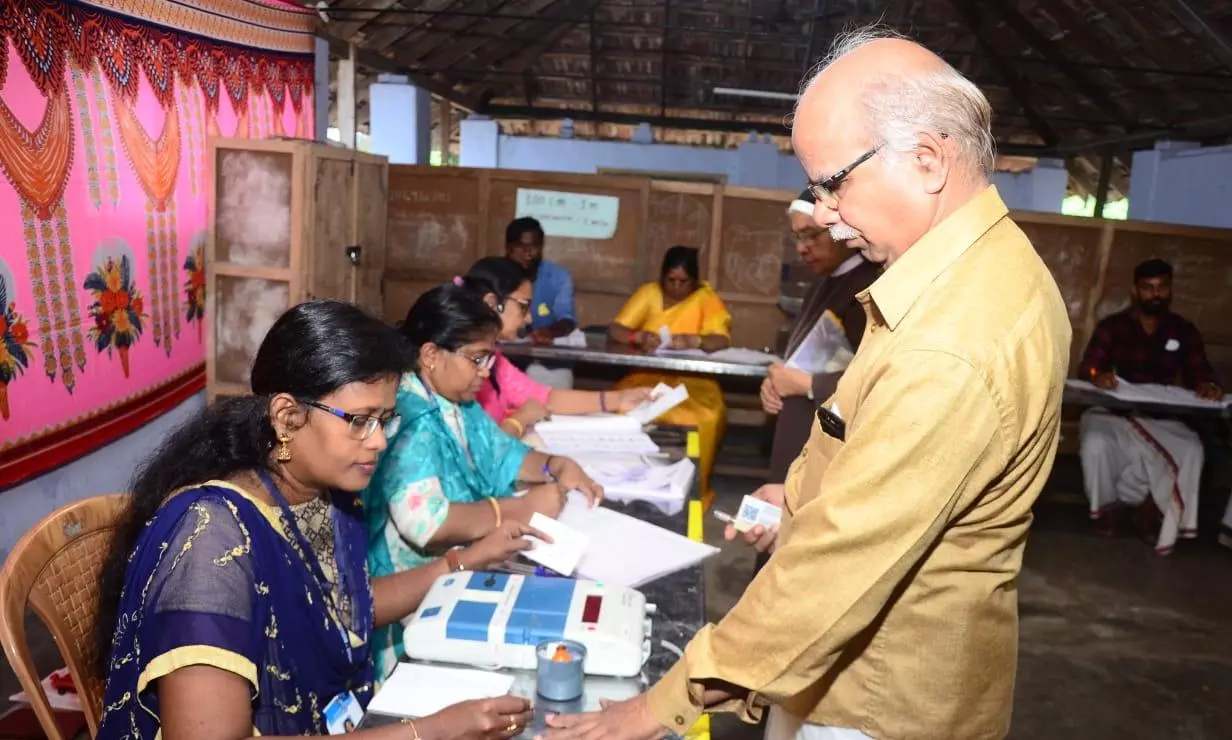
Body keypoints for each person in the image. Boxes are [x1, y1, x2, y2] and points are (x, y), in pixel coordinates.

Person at [544, 26, 1070, 740]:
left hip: (879, 702)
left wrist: (656, 705)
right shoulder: (975, 272)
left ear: (926, 160)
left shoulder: (953, 341)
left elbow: (837, 572)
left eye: (834, 183)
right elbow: (881, 449)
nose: (824, 212)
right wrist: (798, 497)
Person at [94, 300, 533, 738]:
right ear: (287, 418)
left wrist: (464, 561)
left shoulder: (320, 495)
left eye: (384, 420)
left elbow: (339, 611)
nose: (378, 441)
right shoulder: (212, 542)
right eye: (360, 421)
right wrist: (428, 732)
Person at [363, 283, 603, 679]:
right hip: (408, 603)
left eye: (489, 358)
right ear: (430, 354)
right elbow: (426, 523)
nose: (485, 372)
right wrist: (518, 508)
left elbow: (502, 455)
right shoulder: (409, 412)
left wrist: (555, 465)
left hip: (457, 575)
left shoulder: (457, 402)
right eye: (477, 359)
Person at [1077, 258, 1222, 554]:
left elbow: (1201, 373)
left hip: (1163, 417)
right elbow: (1087, 368)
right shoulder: (1114, 327)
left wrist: (1209, 386)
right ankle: (1109, 508)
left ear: (1170, 291)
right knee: (1095, 442)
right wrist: (1098, 376)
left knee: (1192, 448)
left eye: (1162, 288)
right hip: (1114, 414)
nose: (1155, 294)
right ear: (1135, 291)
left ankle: (1152, 510)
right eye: (1148, 288)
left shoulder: (1182, 330)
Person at [761, 188, 882, 484]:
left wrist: (808, 384)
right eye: (798, 237)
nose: (802, 248)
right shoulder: (821, 285)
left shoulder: (871, 287)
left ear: (842, 229)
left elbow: (878, 375)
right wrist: (775, 382)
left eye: (812, 235)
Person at [462, 256, 652, 435]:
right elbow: (476, 450)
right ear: (492, 304)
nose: (529, 318)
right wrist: (519, 420)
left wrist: (620, 399)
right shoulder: (458, 363)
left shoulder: (494, 360)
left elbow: (545, 397)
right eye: (523, 306)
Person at [607, 246, 732, 507]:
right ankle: (624, 489)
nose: (676, 287)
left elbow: (721, 340)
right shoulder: (649, 293)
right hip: (647, 376)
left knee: (704, 416)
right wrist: (637, 336)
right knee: (623, 410)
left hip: (694, 379)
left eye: (683, 282)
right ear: (661, 277)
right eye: (670, 280)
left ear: (695, 281)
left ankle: (693, 492)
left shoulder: (705, 298)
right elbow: (616, 329)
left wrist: (694, 340)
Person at [506, 216, 577, 388]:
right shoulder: (494, 275)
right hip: (501, 356)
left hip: (545, 359)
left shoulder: (558, 277)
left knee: (549, 386)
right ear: (509, 248)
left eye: (534, 247)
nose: (529, 253)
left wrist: (550, 332)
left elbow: (567, 319)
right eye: (521, 247)